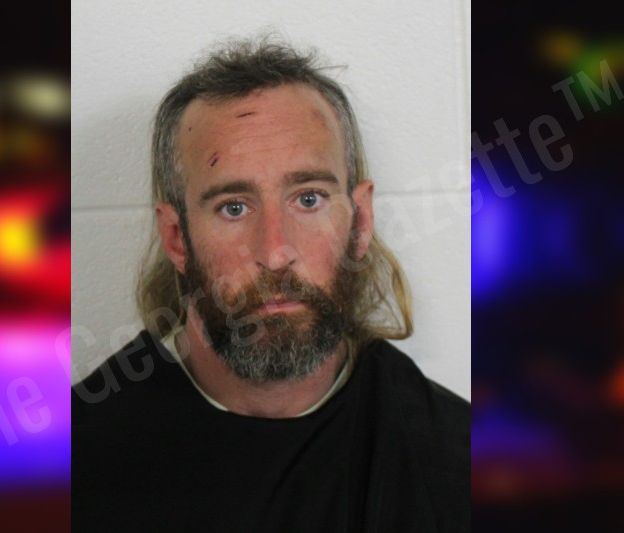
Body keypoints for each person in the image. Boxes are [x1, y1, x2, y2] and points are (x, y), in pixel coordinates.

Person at [72, 36, 469, 532]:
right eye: (234, 207)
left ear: (361, 220)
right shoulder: (70, 465)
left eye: (309, 199)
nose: (276, 252)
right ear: (176, 237)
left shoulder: (458, 464)